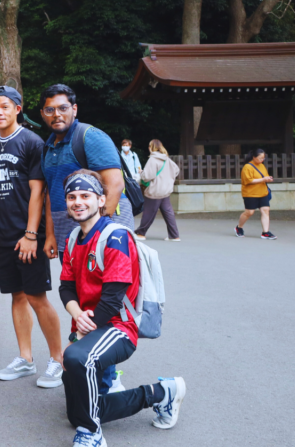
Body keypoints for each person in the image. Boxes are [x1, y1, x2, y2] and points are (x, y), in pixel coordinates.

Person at [58, 169, 186, 447]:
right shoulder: (71, 239)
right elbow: (66, 287)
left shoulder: (115, 237)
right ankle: (161, 392)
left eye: (85, 195)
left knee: (78, 358)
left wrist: (81, 335)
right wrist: (77, 315)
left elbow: (113, 299)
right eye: (71, 197)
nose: (78, 201)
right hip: (87, 325)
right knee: (77, 414)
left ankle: (92, 435)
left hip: (118, 327)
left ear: (101, 200)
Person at [0, 86, 64, 388]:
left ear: (18, 108)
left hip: (28, 235)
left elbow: (38, 192)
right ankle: (25, 359)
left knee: (37, 296)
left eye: (4, 106)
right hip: (1, 236)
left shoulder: (31, 142)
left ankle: (58, 360)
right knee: (17, 295)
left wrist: (32, 235)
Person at [40, 84, 135, 256]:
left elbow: (115, 184)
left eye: (63, 108)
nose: (56, 114)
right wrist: (50, 234)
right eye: (49, 110)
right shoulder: (47, 147)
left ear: (74, 109)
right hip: (66, 226)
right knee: (73, 281)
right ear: (42, 114)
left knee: (110, 279)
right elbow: (50, 192)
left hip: (104, 223)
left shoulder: (90, 137)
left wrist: (97, 232)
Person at [134, 140, 181, 242]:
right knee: (169, 213)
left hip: (155, 190)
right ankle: (174, 235)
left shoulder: (153, 159)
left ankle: (141, 233)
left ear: (151, 147)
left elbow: (147, 176)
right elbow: (176, 170)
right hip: (165, 190)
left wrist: (142, 174)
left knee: (148, 212)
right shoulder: (166, 159)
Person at [237, 149, 276, 240]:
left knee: (265, 210)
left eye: (263, 158)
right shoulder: (247, 167)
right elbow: (248, 181)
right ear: (254, 157)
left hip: (263, 192)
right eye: (260, 158)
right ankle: (239, 227)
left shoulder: (262, 166)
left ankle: (265, 232)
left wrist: (268, 179)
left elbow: (264, 177)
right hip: (250, 193)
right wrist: (263, 180)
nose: (262, 160)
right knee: (249, 212)